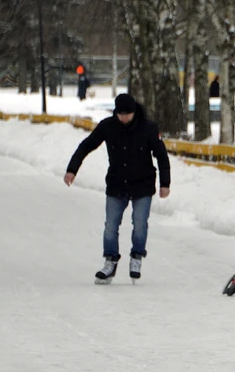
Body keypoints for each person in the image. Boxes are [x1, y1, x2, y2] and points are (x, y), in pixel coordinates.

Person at [64, 93, 171, 284]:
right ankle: (110, 261)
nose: (124, 118)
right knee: (110, 226)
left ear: (134, 112)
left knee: (139, 224)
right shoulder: (107, 126)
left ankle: (136, 257)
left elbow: (161, 156)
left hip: (143, 184)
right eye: (120, 115)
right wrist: (72, 169)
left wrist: (165, 183)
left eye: (127, 114)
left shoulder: (148, 128)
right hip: (117, 183)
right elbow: (86, 146)